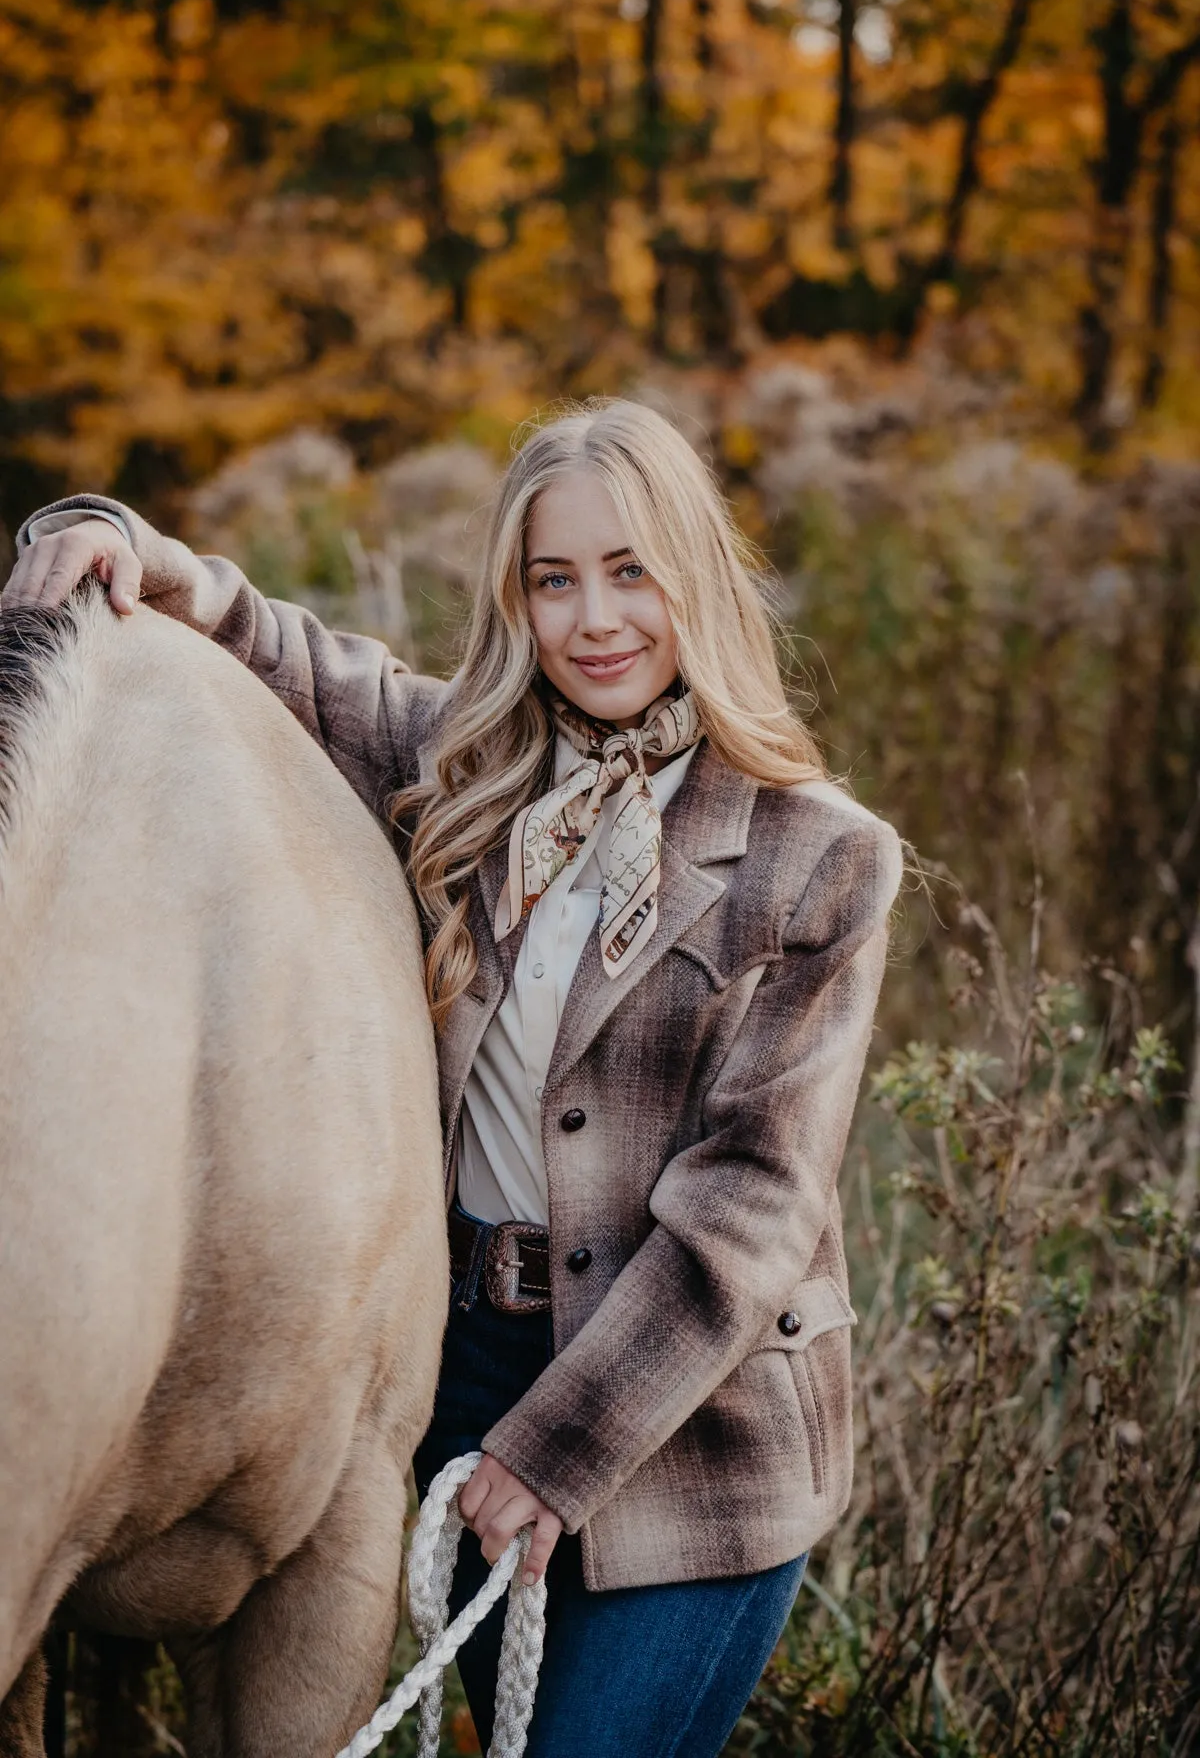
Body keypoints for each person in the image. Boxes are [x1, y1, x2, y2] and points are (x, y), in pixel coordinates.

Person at [4, 397, 905, 1757]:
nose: (596, 618)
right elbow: (296, 660)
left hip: (688, 1425)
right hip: (474, 1368)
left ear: (696, 581)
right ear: (517, 599)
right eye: (555, 580)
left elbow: (753, 1206)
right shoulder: (477, 774)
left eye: (631, 572)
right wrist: (130, 545)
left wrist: (561, 1450)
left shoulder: (818, 857)